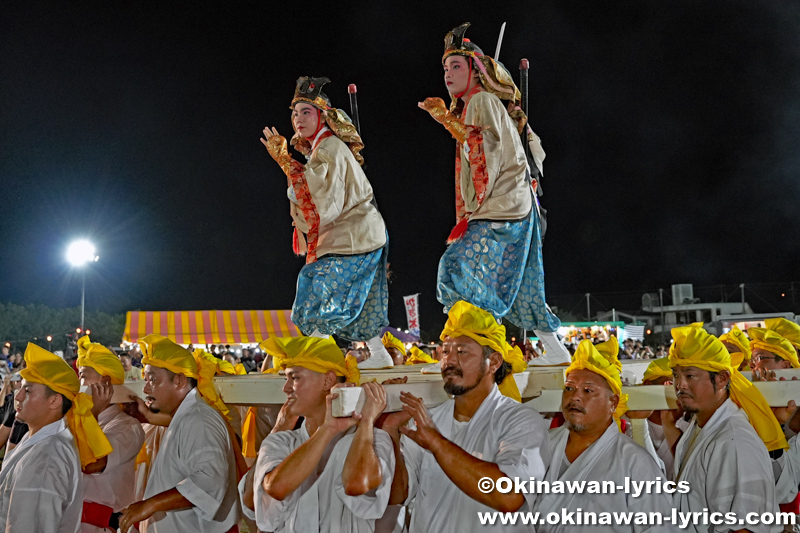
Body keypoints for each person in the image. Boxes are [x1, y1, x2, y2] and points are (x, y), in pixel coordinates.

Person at [419, 23, 569, 364]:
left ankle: (477, 351)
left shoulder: (482, 100)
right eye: (445, 68)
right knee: (521, 285)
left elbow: (482, 144)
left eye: (456, 66)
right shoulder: (478, 102)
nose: (448, 73)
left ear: (476, 71)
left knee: (456, 268)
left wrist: (444, 117)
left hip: (501, 205)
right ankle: (556, 352)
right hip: (512, 204)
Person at [261, 76, 394, 369]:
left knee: (316, 284)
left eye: (306, 111)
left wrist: (284, 160)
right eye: (295, 113)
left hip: (355, 235)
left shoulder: (329, 148)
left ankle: (319, 352)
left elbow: (319, 198)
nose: (298, 119)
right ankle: (378, 355)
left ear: (322, 115)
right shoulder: (321, 150)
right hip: (360, 234)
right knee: (361, 295)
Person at [382, 300, 549, 532]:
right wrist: (391, 433)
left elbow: (509, 495)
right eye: (446, 351)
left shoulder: (522, 421)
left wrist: (436, 443)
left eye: (462, 352)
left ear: (494, 362)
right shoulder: (428, 420)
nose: (449, 361)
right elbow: (399, 496)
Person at [239, 335, 394, 532]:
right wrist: (328, 429)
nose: (285, 388)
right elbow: (275, 488)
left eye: (294, 378)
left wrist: (366, 423)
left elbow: (357, 485)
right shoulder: (280, 440)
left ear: (327, 380)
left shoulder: (373, 440)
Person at [534, 338, 673, 532]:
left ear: (613, 403)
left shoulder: (635, 463)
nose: (575, 396)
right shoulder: (540, 444)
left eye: (588, 390)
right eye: (569, 388)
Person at [119, 334, 240, 533]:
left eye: (153, 380)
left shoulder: (199, 419)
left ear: (180, 381)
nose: (146, 388)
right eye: (145, 379)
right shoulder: (185, 417)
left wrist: (150, 505)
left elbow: (209, 480)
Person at [669, 324, 782, 533]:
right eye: (676, 374)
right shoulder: (700, 426)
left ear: (722, 379)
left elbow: (746, 528)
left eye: (690, 375)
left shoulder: (735, 442)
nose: (680, 385)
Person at [0, 343, 112, 532]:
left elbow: (32, 526)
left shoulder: (47, 458)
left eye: (27, 391)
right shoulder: (36, 438)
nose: (17, 397)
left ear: (54, 400)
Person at [76, 336, 146, 532]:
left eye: (82, 375)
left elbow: (92, 464)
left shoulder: (127, 426)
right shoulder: (79, 420)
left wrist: (93, 413)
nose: (78, 383)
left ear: (105, 382)